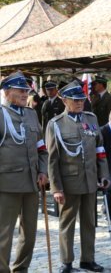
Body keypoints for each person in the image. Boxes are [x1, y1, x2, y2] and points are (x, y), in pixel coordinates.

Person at [46, 80, 110, 273]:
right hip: (69, 182)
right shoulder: (56, 124)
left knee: (90, 222)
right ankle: (66, 262)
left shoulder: (91, 119)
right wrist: (56, 187)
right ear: (64, 100)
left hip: (90, 181)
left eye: (81, 99)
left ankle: (87, 259)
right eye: (75, 100)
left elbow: (100, 150)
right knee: (67, 223)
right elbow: (52, 159)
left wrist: (104, 174)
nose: (80, 102)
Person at [0, 72, 48, 273]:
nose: (24, 94)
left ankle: (21, 268)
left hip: (32, 183)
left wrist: (43, 171)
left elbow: (41, 147)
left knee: (30, 232)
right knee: (4, 233)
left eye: (26, 90)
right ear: (6, 92)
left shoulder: (30, 114)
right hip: (7, 183)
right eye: (20, 90)